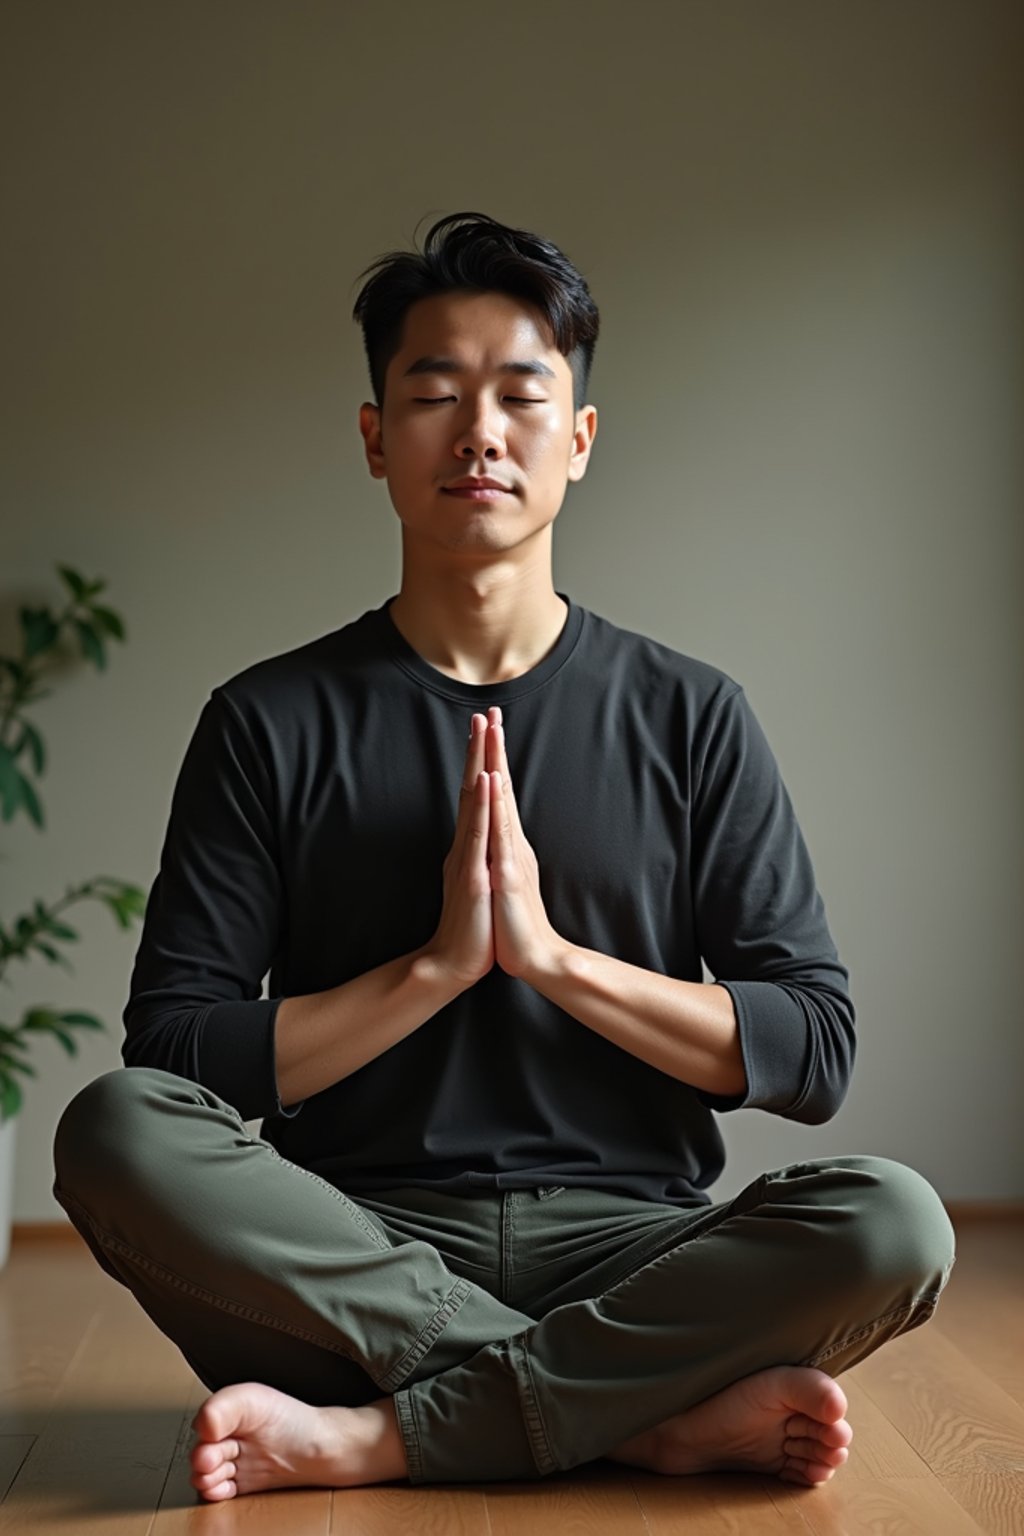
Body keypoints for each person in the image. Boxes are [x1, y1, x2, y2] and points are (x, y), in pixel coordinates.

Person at [53, 211, 956, 1503]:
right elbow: (178, 1057)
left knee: (896, 1225)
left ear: (578, 442)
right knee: (114, 1133)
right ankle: (633, 1413)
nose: (479, 431)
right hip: (349, 1252)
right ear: (376, 439)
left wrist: (550, 962)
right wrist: (435, 971)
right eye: (433, 394)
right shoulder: (268, 720)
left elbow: (813, 1049)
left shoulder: (691, 716)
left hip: (635, 1249)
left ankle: (383, 1437)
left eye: (522, 396)